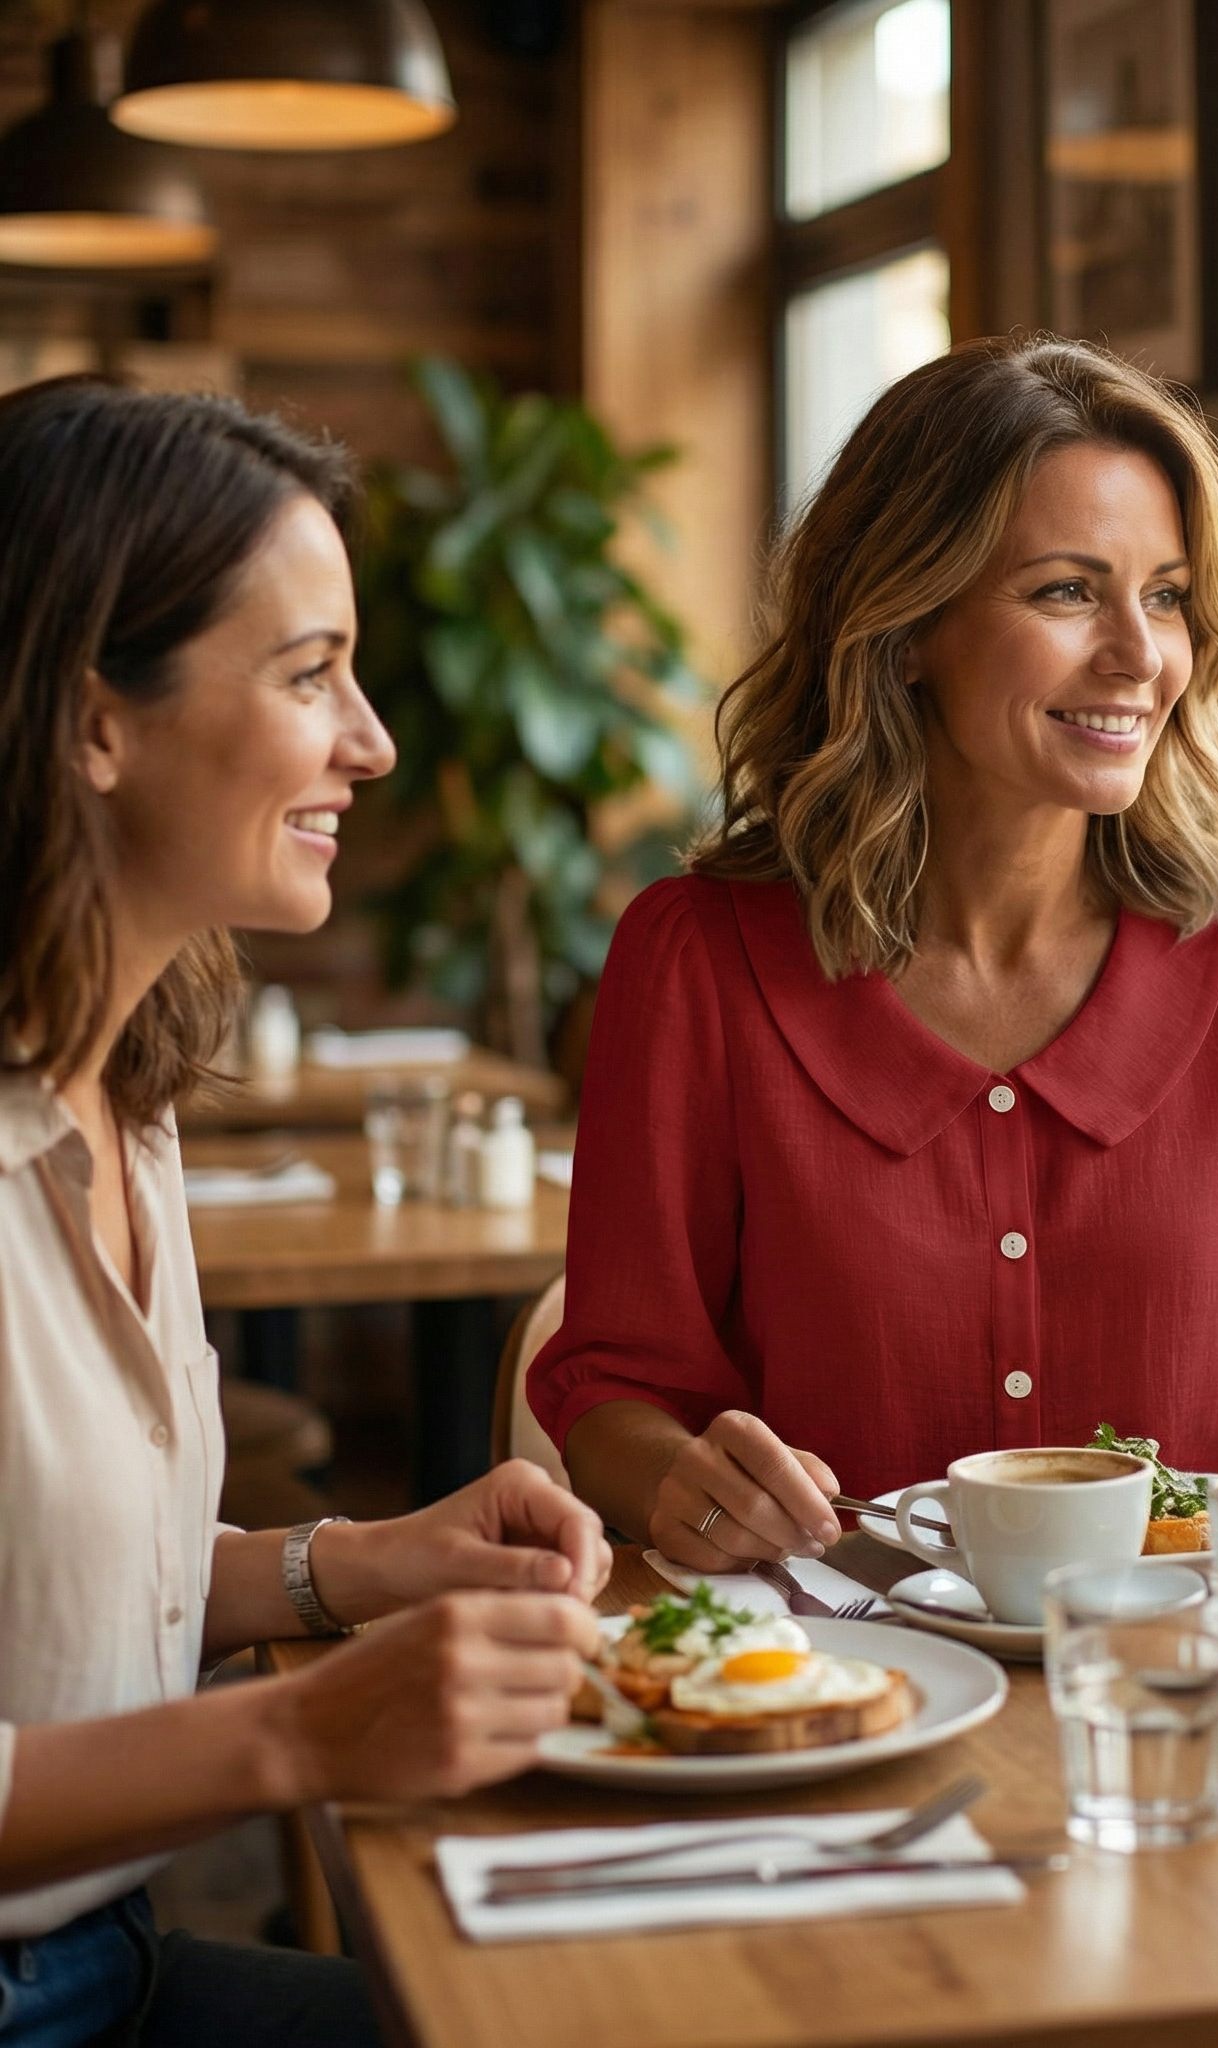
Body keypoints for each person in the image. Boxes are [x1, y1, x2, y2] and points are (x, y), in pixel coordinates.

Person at [528, 333, 1218, 1575]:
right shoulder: (694, 956)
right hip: (839, 1680)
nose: (1140, 656)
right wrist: (684, 1480)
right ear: (904, 623)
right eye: (1066, 591)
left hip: (1162, 1677)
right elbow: (616, 1395)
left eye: (1168, 594)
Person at [0, 377, 605, 2048]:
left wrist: (347, 1566)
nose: (374, 739)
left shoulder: (123, 1091)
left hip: (100, 1959)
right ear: (91, 717)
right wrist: (303, 1734)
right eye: (306, 673)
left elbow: (39, 1597)